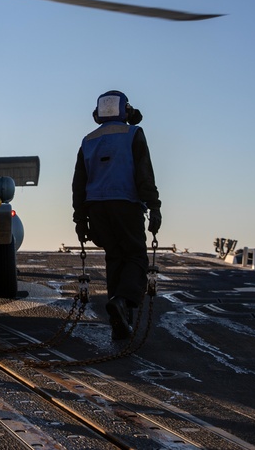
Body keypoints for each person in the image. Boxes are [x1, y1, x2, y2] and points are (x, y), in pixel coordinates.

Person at [71, 90, 161, 341]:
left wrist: (80, 219)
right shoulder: (133, 134)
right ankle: (121, 302)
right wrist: (154, 206)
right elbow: (144, 175)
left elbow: (79, 183)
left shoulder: (88, 140)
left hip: (97, 208)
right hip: (126, 204)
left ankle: (119, 321)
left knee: (115, 258)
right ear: (125, 111)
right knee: (135, 257)